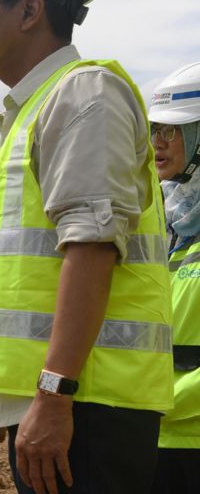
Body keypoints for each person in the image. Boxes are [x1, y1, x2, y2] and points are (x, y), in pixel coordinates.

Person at [0, 0, 173, 494]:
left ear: (30, 10)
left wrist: (53, 393)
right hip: (62, 398)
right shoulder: (33, 110)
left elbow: (91, 247)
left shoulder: (84, 95)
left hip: (88, 406)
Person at [148, 62, 200, 494]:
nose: (158, 143)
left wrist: (160, 402)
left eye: (173, 130)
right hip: (154, 435)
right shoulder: (160, 219)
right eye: (155, 130)